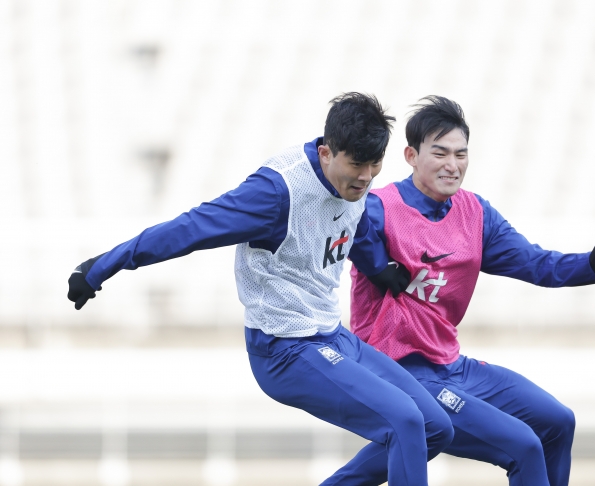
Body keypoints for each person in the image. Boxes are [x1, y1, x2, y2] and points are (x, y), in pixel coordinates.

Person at [67, 93, 454, 485]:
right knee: (404, 419)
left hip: (330, 334)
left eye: (375, 165)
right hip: (284, 348)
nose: (366, 176)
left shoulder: (357, 180)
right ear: (326, 153)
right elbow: (189, 229)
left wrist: (379, 269)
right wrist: (103, 267)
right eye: (356, 165)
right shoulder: (275, 194)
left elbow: (355, 229)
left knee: (435, 426)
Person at [350, 96, 595, 486]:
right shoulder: (376, 208)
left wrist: (593, 263)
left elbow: (535, 262)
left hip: (451, 366)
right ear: (411, 155)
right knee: (523, 446)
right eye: (441, 153)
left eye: (461, 154)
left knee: (558, 422)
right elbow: (335, 228)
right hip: (397, 371)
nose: (453, 165)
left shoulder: (475, 214)